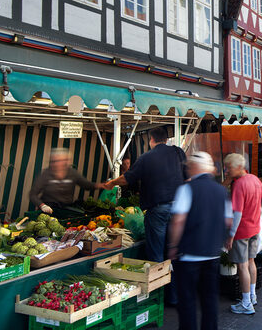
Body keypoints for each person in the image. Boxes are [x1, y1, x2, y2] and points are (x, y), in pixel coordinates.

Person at [167, 152, 232, 330]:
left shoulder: (186, 189)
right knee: (210, 300)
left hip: (189, 255)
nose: (187, 170)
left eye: (188, 167)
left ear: (193, 168)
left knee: (187, 301)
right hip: (212, 254)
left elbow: (178, 221)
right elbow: (228, 220)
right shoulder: (221, 190)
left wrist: (173, 245)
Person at [104, 127, 186, 262]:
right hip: (179, 208)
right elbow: (188, 178)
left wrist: (112, 182)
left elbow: (127, 178)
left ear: (151, 140)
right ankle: (175, 281)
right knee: (175, 249)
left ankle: (160, 280)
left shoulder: (146, 157)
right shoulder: (179, 152)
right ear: (166, 140)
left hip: (158, 210)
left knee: (156, 251)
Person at [223, 153, 262, 315]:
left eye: (229, 168)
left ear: (238, 167)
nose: (227, 171)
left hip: (242, 230)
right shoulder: (254, 179)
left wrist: (230, 235)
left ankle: (246, 304)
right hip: (255, 228)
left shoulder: (239, 185)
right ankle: (252, 296)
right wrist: (256, 208)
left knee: (242, 266)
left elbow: (237, 214)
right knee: (251, 262)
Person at [30, 148, 104, 214]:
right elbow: (33, 194)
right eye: (55, 161)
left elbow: (86, 185)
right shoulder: (46, 174)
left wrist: (102, 185)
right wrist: (42, 206)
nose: (58, 163)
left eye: (63, 160)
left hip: (66, 209)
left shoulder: (72, 173)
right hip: (48, 209)